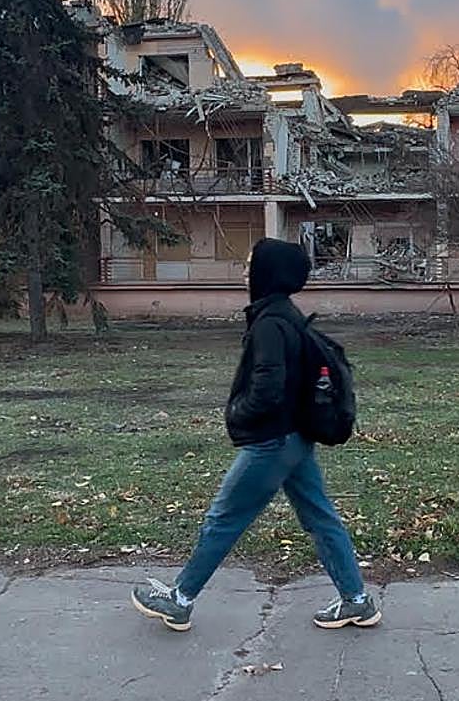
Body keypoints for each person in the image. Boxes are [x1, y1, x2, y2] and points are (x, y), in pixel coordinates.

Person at [131, 238, 379, 632]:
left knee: (224, 517)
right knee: (320, 517)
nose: (245, 272)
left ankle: (179, 599)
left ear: (268, 272)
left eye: (251, 265)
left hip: (272, 443)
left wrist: (237, 412)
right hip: (296, 441)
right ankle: (357, 600)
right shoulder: (288, 316)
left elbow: (269, 386)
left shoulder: (270, 323)